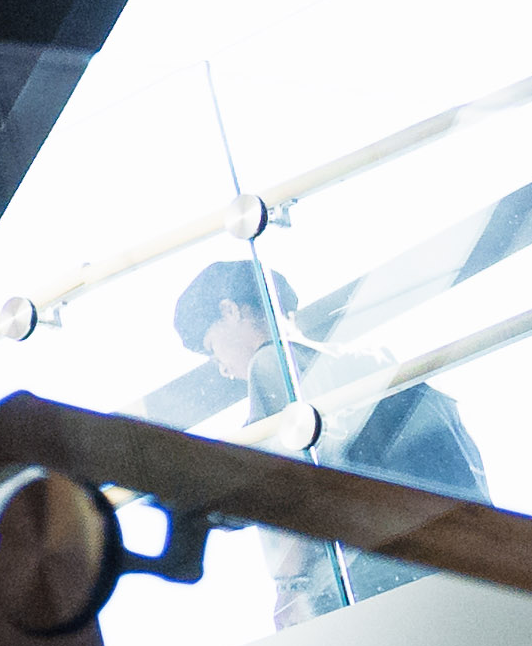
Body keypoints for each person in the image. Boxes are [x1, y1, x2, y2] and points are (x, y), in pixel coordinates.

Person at [172, 257, 492, 626]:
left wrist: (291, 586)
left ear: (230, 311)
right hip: (446, 552)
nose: (223, 368)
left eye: (213, 348)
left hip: (368, 576)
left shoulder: (272, 365)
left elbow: (296, 480)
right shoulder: (369, 360)